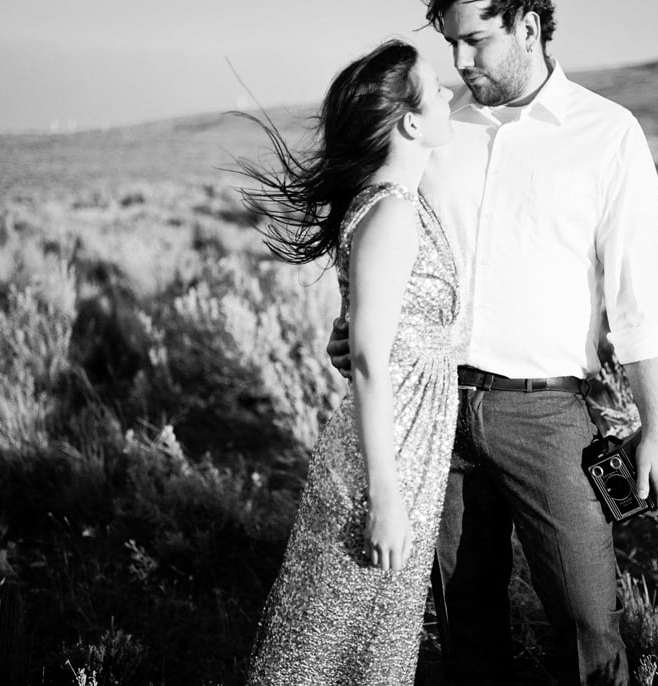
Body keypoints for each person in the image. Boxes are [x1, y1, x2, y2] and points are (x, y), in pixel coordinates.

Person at [325, 2, 658, 684]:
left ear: (526, 26)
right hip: (434, 412)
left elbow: (638, 300)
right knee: (463, 612)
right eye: (450, 44)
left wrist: (655, 429)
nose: (458, 63)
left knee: (585, 617)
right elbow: (387, 237)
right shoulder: (436, 131)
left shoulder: (606, 134)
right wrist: (356, 326)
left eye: (475, 42)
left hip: (548, 417)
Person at [239, 39, 460, 685]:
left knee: (358, 639)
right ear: (411, 122)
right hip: (388, 458)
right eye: (436, 89)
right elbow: (368, 360)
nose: (449, 94)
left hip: (409, 443)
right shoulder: (391, 210)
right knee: (335, 640)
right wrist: (385, 498)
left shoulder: (395, 197)